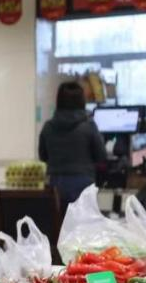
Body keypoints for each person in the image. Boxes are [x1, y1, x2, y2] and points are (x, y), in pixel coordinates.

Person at [38, 81, 107, 209]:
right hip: (83, 185)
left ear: (58, 100)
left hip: (55, 186)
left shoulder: (48, 127)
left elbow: (42, 156)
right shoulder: (89, 126)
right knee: (83, 227)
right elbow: (101, 156)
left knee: (57, 224)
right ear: (82, 101)